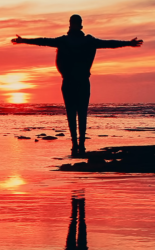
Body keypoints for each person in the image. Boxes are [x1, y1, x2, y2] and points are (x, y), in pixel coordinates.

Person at [12, 15, 143, 157]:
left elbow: (43, 41)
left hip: (72, 81)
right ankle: (78, 143)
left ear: (70, 25)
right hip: (79, 81)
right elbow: (43, 41)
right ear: (80, 25)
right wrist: (128, 43)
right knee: (80, 113)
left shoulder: (69, 41)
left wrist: (23, 40)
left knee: (74, 113)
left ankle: (77, 143)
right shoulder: (86, 41)